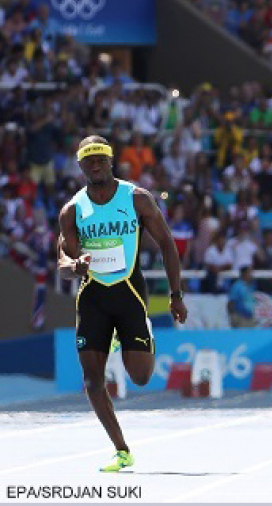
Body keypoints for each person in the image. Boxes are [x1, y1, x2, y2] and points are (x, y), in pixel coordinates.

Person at [57, 135, 188, 472]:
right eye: (89, 160)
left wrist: (176, 295)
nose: (96, 164)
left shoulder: (137, 199)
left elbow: (167, 245)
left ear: (111, 161)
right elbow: (63, 261)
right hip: (93, 299)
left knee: (141, 376)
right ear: (81, 166)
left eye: (101, 158)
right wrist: (75, 267)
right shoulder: (72, 210)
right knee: (92, 381)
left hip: (129, 293)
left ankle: (136, 335)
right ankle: (121, 449)